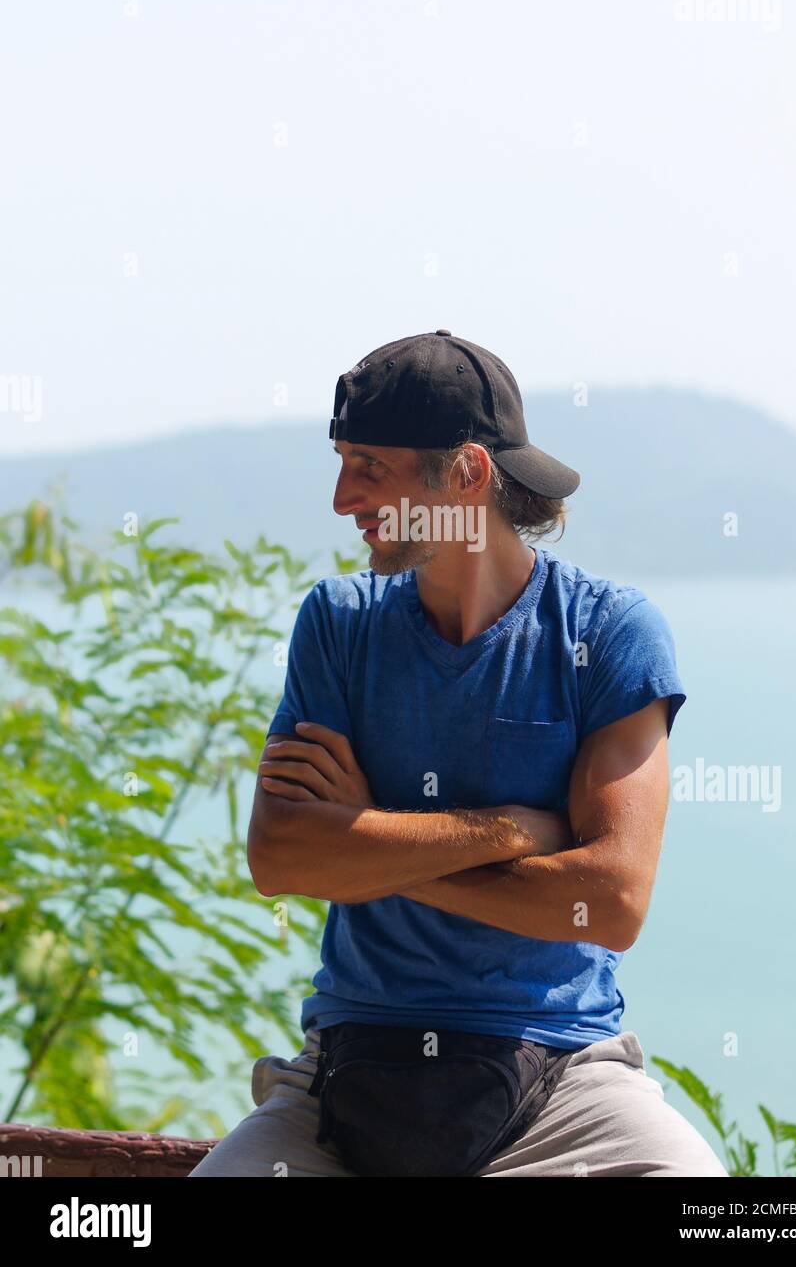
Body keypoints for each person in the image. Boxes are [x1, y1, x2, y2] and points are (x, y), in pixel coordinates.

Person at [189, 329, 727, 1178]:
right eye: (341, 462)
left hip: (565, 1080)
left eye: (370, 467)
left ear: (468, 474)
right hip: (350, 1071)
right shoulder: (338, 622)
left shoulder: (608, 632)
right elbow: (281, 855)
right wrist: (507, 829)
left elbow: (611, 901)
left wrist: (365, 842)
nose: (340, 498)